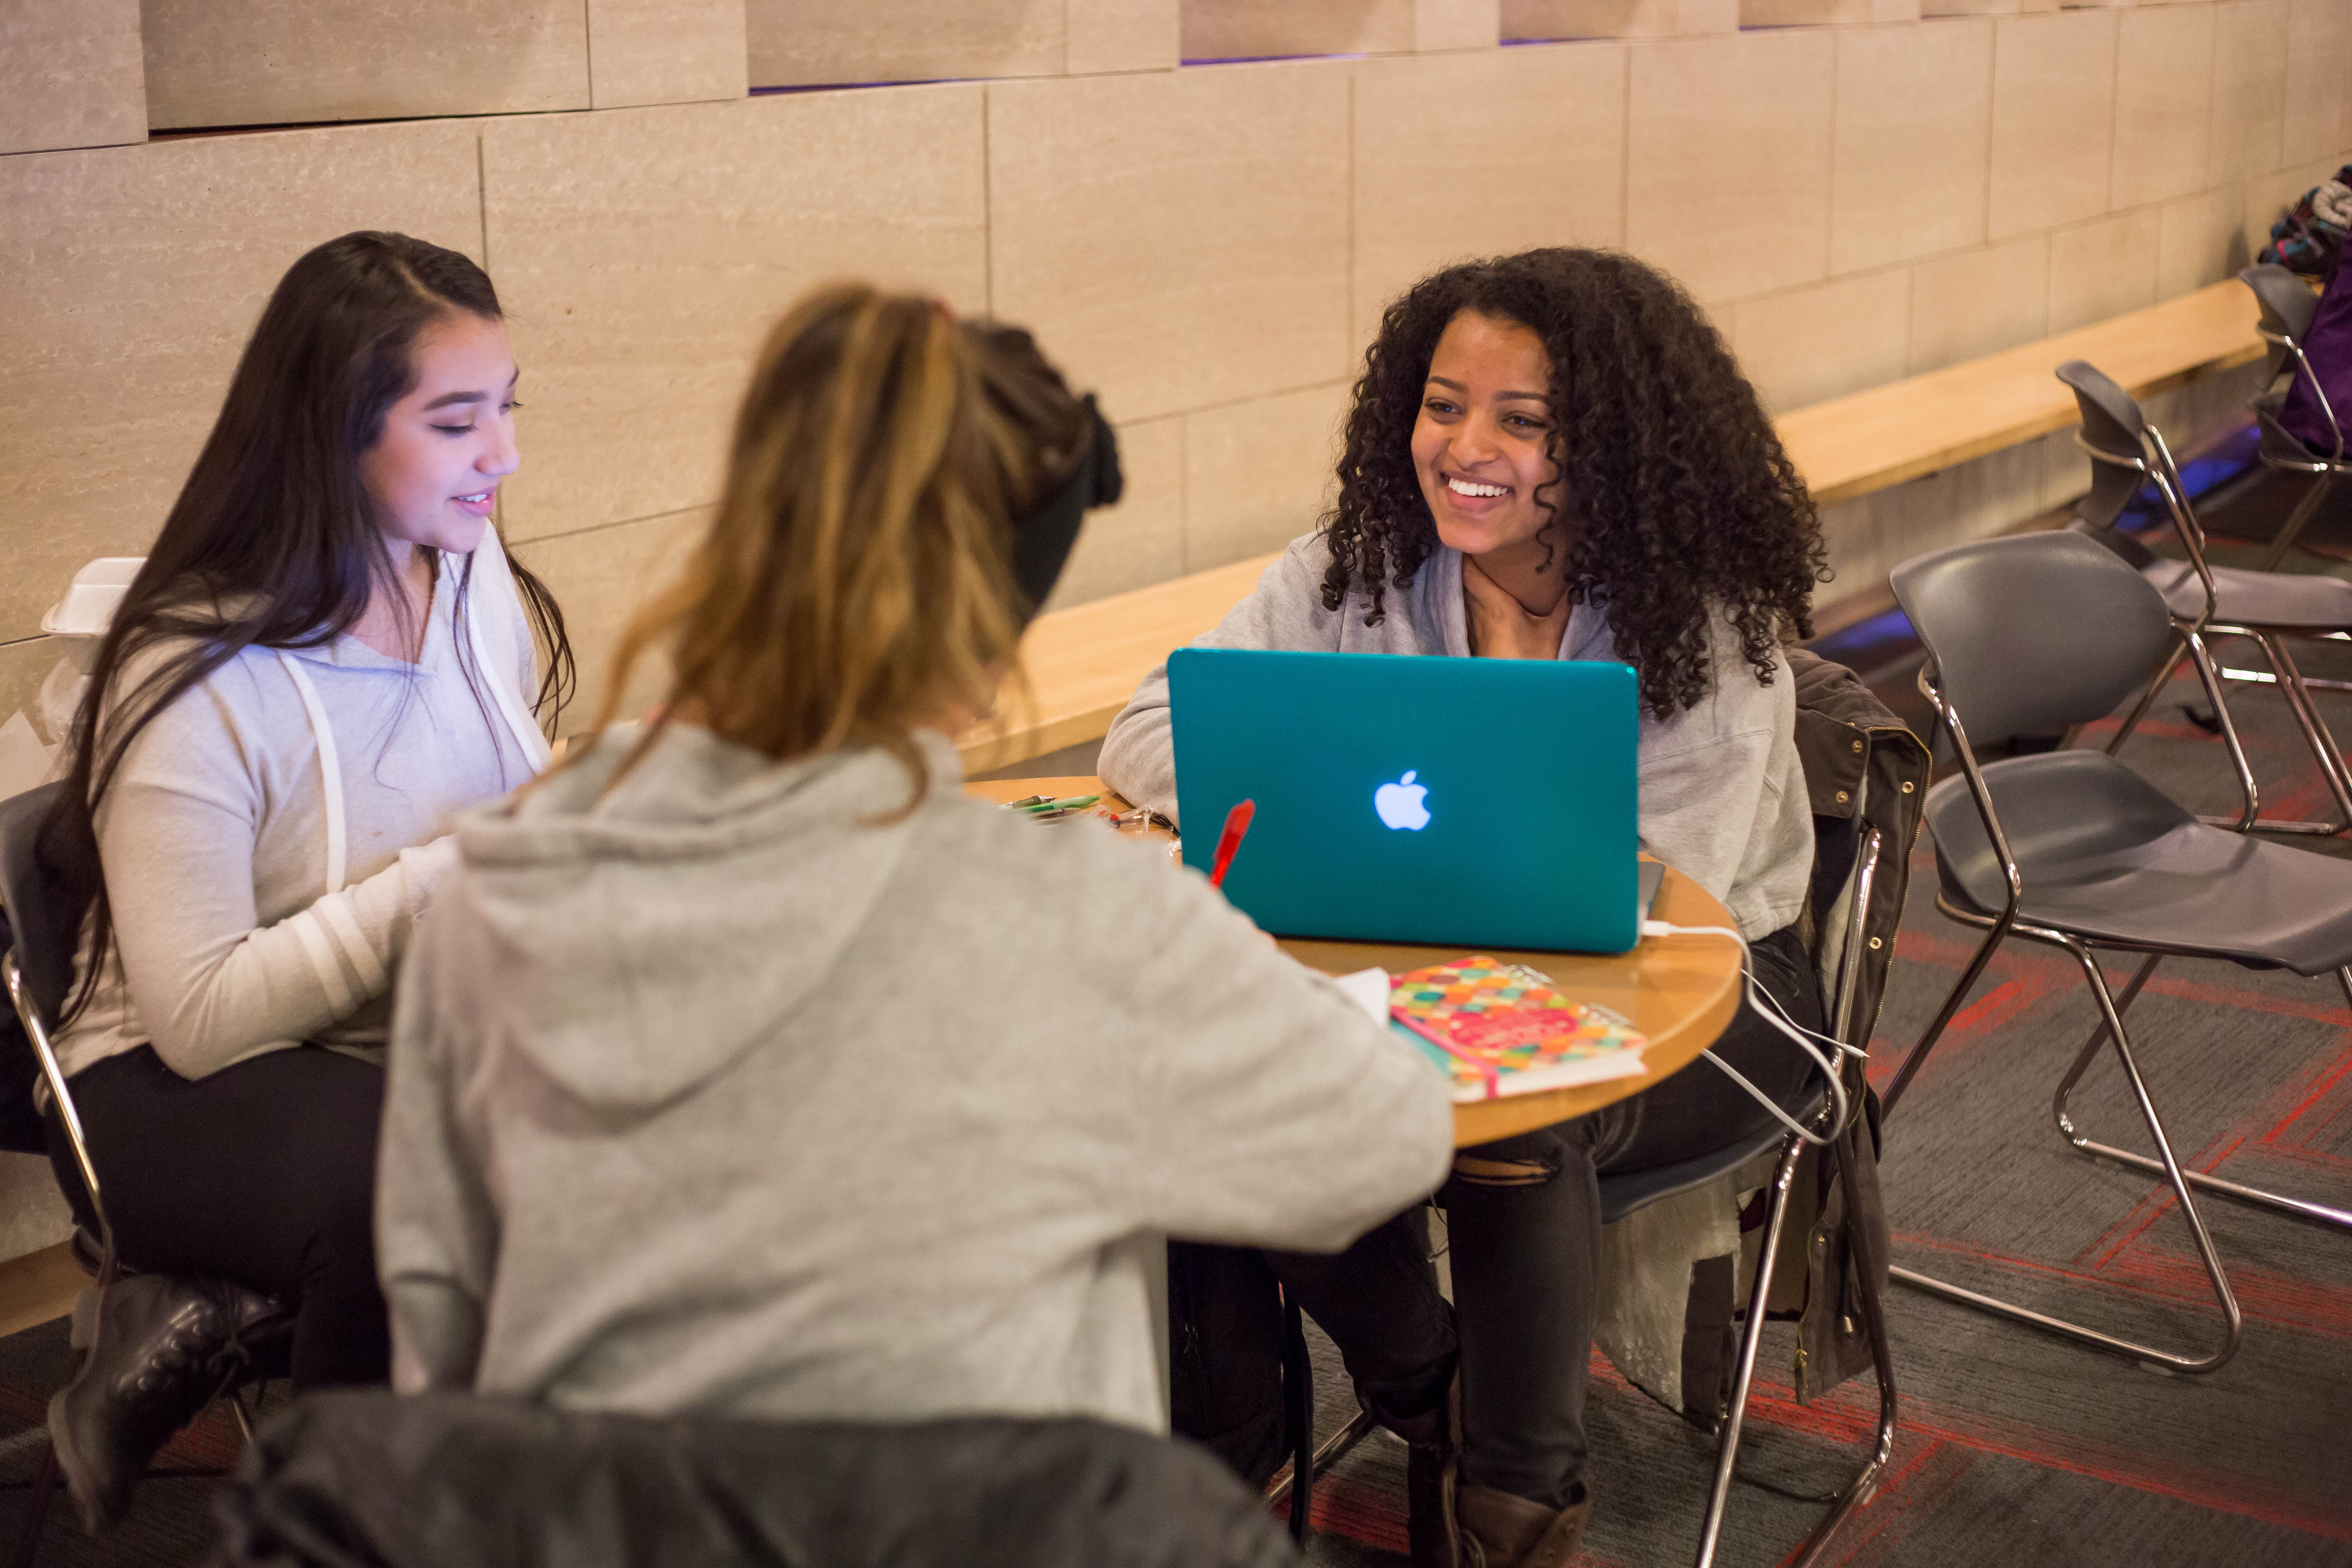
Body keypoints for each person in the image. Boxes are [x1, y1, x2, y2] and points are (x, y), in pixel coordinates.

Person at [372, 283, 1453, 1434]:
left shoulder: (498, 884)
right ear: (987, 634)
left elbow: (438, 1318)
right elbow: (1378, 1132)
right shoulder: (1073, 918)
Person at [1099, 247, 1831, 1568]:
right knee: (1205, 1082)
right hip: (1408, 981)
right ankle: (1433, 1388)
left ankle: (1514, 1516)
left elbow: (1668, 894)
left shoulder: (1702, 620)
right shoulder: (1357, 566)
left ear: (1612, 443)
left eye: (1523, 420)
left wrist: (1378, 902)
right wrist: (1289, 784)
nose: (1465, 447)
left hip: (1718, 1001)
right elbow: (1150, 724)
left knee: (1516, 1123)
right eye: (1444, 405)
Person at [38, 231, 571, 1525]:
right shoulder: (195, 680)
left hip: (389, 1025)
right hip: (170, 1082)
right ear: (335, 431)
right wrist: (465, 872)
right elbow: (203, 1017)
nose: (502, 456)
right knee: (430, 1188)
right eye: (457, 422)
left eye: (506, 410)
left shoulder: (463, 573)